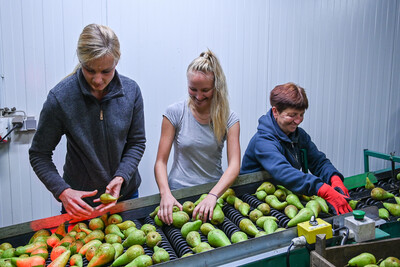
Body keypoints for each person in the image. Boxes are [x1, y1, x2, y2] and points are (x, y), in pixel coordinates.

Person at [29, 23, 146, 220]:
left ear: (116, 62)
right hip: (81, 205)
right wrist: (63, 191)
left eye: (106, 71)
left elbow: (137, 142)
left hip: (125, 197)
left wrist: (121, 176)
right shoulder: (61, 98)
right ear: (81, 61)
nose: (98, 80)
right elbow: (39, 154)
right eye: (90, 70)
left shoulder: (131, 91)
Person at [154, 49, 240, 224]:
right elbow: (160, 162)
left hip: (212, 196)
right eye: (193, 89)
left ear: (216, 88)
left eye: (205, 90)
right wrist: (166, 194)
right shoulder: (175, 113)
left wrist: (213, 195)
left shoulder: (230, 119)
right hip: (177, 195)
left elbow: (234, 165)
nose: (198, 96)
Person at [240, 82, 352, 215]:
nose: (298, 121)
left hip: (283, 197)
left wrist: (334, 178)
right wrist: (323, 189)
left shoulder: (299, 135)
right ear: (276, 112)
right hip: (253, 201)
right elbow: (283, 171)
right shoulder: (263, 141)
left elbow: (318, 161)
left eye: (301, 114)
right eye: (292, 115)